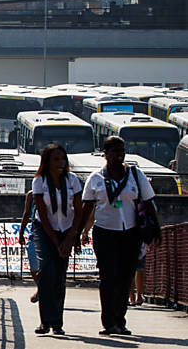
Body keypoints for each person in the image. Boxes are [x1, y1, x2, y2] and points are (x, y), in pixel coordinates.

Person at [79, 136, 160, 336]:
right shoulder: (96, 178)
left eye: (122, 150)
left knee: (125, 278)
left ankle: (120, 320)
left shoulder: (135, 175)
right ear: (105, 154)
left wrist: (156, 229)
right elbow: (86, 208)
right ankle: (108, 322)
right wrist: (78, 233)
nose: (119, 154)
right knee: (108, 277)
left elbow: (149, 203)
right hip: (105, 232)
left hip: (131, 233)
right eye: (115, 150)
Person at [31, 144, 83, 336]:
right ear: (47, 162)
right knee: (46, 271)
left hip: (67, 230)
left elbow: (78, 212)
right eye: (56, 159)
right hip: (45, 230)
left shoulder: (73, 180)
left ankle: (57, 322)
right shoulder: (39, 181)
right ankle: (45, 320)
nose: (61, 163)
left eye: (63, 159)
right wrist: (55, 241)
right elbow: (43, 215)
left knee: (60, 275)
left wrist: (69, 238)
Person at [17, 191, 40, 304]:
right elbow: (26, 213)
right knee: (34, 266)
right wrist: (21, 232)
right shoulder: (32, 195)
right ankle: (41, 288)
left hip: (52, 234)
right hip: (34, 234)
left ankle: (47, 291)